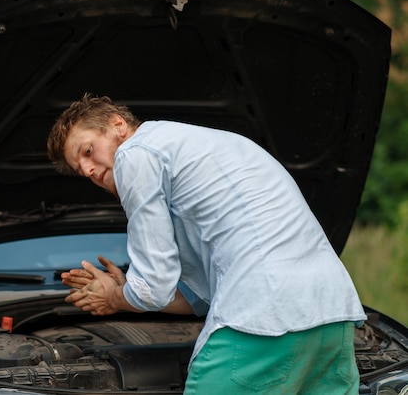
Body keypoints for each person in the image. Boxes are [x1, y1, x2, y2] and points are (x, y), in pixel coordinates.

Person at [47, 93, 366, 394]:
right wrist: (123, 294)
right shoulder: (204, 145)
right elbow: (200, 297)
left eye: (88, 151)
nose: (89, 170)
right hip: (331, 315)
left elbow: (152, 288)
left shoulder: (136, 153)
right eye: (81, 171)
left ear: (118, 124)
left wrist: (118, 295)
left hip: (265, 317)